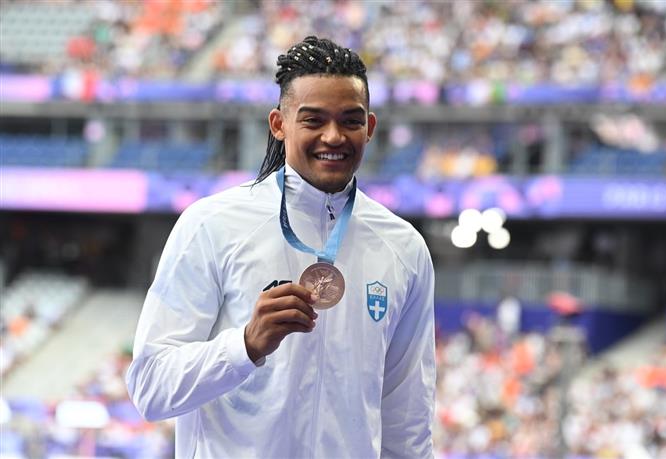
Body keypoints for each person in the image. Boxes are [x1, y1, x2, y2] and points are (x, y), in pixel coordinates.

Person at [126, 35, 435, 458]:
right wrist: (245, 345)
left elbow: (408, 418)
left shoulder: (404, 248)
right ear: (278, 124)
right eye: (313, 120)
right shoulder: (211, 226)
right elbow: (150, 387)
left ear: (370, 128)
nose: (334, 136)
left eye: (350, 120)